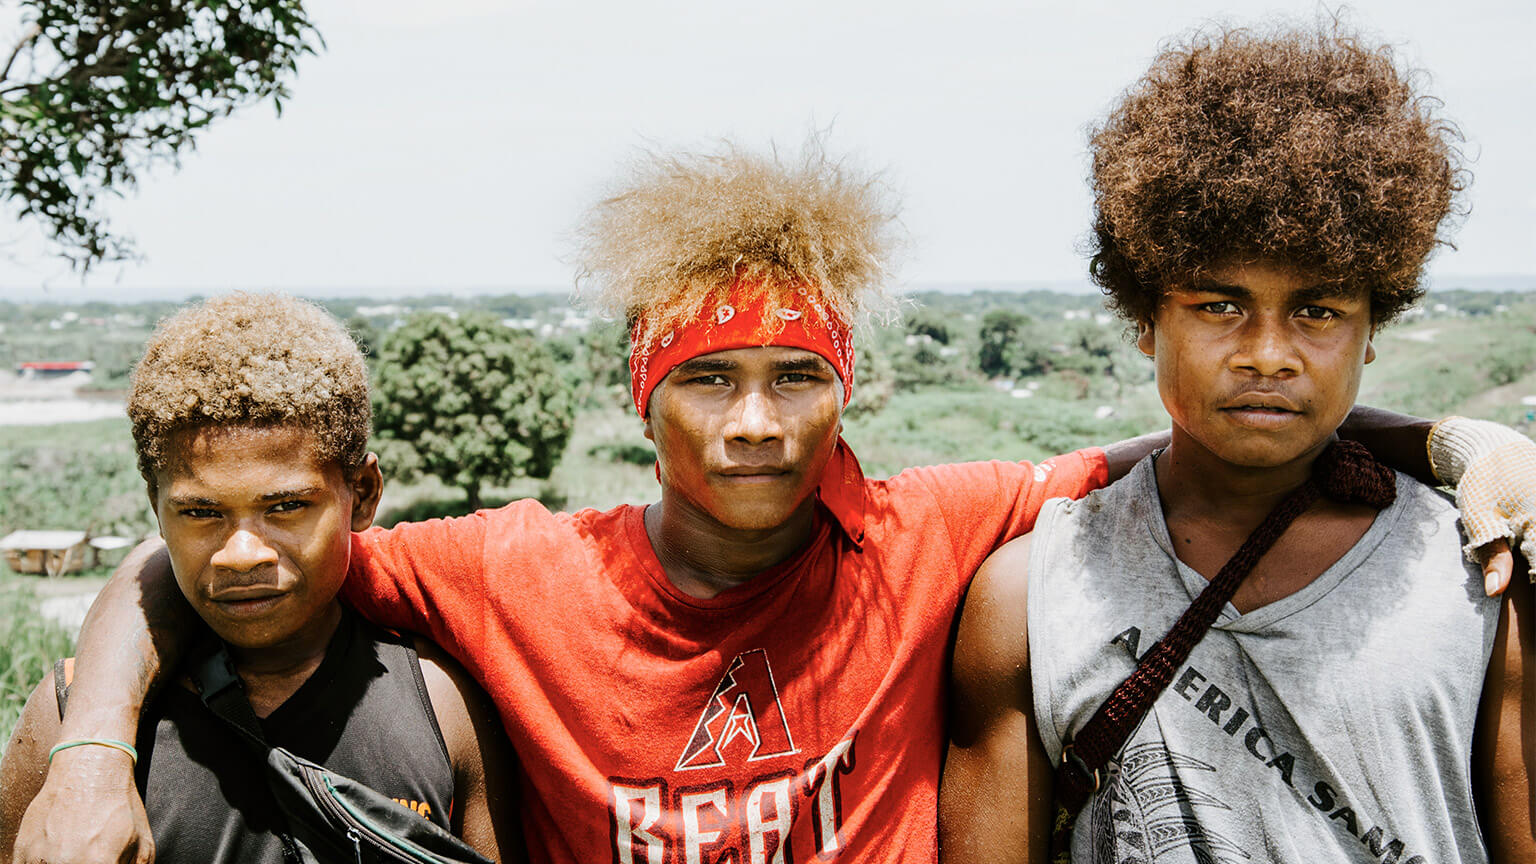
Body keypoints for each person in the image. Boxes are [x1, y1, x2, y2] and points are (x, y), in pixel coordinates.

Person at [15, 143, 1536, 864]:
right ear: (643, 399)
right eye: (708, 381)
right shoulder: (509, 570)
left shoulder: (937, 526)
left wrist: (1451, 440)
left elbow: (1217, 438)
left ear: (846, 396)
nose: (754, 424)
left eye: (795, 379)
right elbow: (209, 559)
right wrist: (88, 757)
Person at [940, 23, 1534, 862]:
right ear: (1145, 319)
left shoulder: (1480, 575)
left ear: (1373, 329)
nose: (1267, 351)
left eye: (1318, 310)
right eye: (1219, 305)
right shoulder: (1029, 598)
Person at [0, 295, 522, 864]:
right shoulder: (70, 725)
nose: (241, 554)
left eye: (287, 507)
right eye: (201, 513)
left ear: (363, 495)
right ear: (156, 506)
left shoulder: (441, 707)